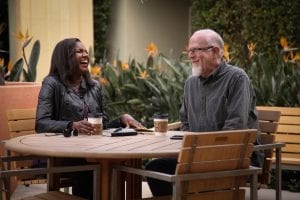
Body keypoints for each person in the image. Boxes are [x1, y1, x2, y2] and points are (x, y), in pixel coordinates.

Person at [145, 29, 264, 196]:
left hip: (235, 156)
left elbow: (235, 126)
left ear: (215, 51)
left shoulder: (237, 78)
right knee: (155, 167)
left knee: (184, 174)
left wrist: (206, 151)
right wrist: (194, 150)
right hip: (198, 156)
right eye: (189, 51)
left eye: (195, 50)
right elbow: (185, 120)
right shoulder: (191, 83)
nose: (190, 55)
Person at [35, 38, 144, 199]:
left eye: (86, 51)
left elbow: (103, 125)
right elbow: (41, 123)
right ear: (65, 57)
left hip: (94, 151)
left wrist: (121, 119)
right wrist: (72, 125)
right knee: (92, 167)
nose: (85, 54)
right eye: (79, 51)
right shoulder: (52, 83)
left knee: (118, 164)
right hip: (64, 154)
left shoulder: (95, 86)